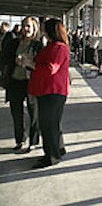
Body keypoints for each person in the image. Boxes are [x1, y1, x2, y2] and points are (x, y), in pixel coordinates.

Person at [28, 18, 69, 168]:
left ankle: (52, 156)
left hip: (53, 91)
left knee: (48, 124)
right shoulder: (52, 46)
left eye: (45, 29)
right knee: (53, 123)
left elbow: (50, 68)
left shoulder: (58, 47)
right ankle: (58, 149)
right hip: (48, 90)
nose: (43, 32)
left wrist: (30, 64)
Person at [2, 17, 43, 151]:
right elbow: (4, 58)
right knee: (16, 113)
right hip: (15, 81)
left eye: (29, 26)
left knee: (33, 112)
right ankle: (20, 139)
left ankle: (33, 141)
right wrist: (14, 60)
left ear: (34, 28)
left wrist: (28, 63)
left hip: (31, 81)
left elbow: (41, 64)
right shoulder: (14, 43)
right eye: (24, 26)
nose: (26, 29)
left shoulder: (38, 45)